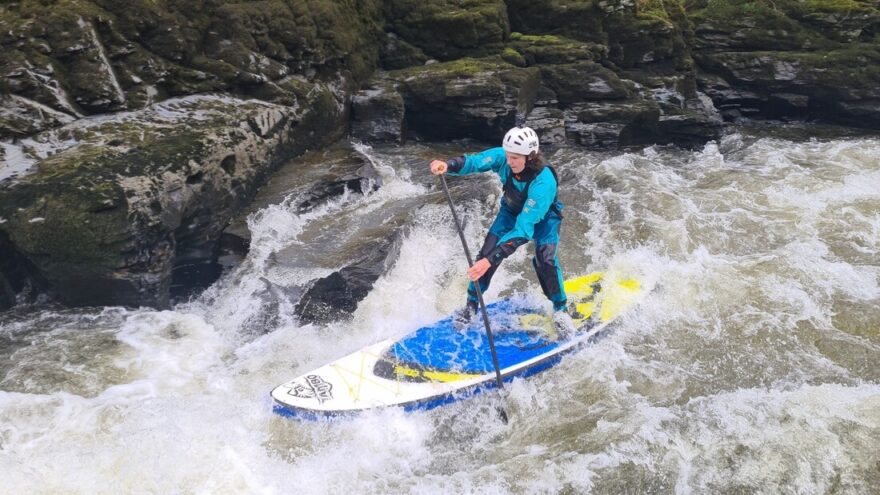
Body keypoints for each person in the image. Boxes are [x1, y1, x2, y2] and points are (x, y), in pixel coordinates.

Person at [430, 126, 576, 338]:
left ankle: (560, 309)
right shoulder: (504, 157)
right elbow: (475, 162)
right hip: (510, 210)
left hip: (544, 219)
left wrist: (490, 260)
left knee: (545, 260)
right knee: (485, 253)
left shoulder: (544, 181)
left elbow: (523, 230)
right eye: (508, 156)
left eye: (515, 158)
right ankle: (471, 305)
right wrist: (448, 165)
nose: (509, 161)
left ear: (531, 156)